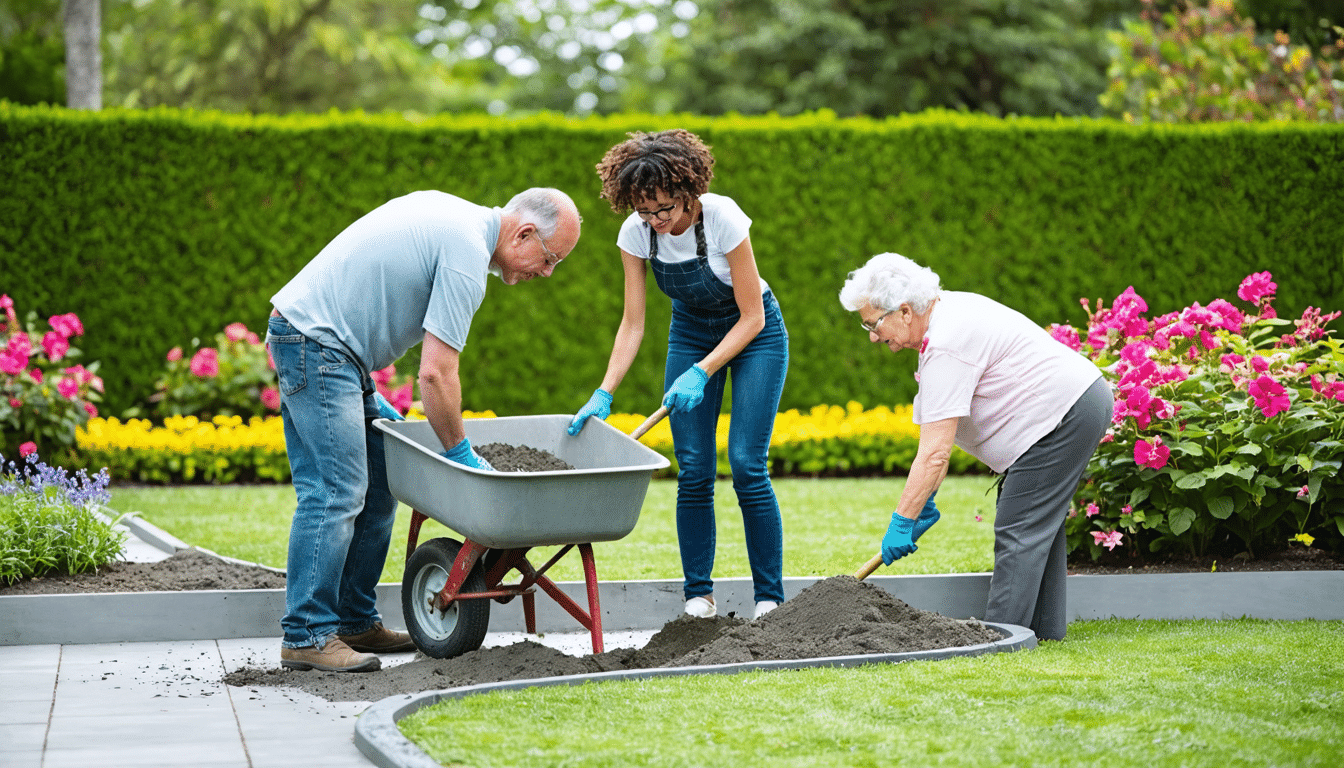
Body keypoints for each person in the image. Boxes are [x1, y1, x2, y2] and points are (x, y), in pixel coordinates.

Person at [267, 187, 582, 672]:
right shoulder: (465, 253)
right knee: (336, 491)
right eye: (549, 259)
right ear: (523, 234)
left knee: (381, 480)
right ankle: (306, 634)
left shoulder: (459, 223)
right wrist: (460, 454)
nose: (547, 273)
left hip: (330, 350)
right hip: (317, 345)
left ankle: (353, 619)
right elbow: (435, 374)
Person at [568, 129, 788, 620]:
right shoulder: (636, 234)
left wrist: (702, 373)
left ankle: (769, 599)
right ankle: (699, 597)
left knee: (747, 464)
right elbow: (633, 323)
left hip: (756, 335)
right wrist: (604, 391)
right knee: (693, 468)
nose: (656, 220)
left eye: (664, 208)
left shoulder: (723, 218)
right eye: (644, 211)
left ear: (688, 190)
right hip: (690, 333)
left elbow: (752, 317)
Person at [838, 253, 1112, 641]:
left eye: (873, 323)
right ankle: (1044, 630)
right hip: (1074, 406)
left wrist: (901, 522)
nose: (872, 336)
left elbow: (935, 453)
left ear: (904, 311)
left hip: (1064, 414)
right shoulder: (945, 320)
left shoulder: (946, 342)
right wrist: (925, 500)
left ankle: (1001, 638)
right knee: (1032, 522)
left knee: (1019, 528)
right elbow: (939, 438)